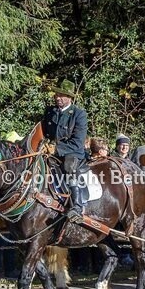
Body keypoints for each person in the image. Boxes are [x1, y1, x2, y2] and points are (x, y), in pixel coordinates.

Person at [41, 80, 89, 223]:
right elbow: (43, 132)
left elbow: (77, 142)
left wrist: (56, 149)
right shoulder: (50, 111)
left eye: (61, 95)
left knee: (68, 166)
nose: (57, 98)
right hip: (49, 151)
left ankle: (77, 206)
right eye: (56, 94)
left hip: (72, 152)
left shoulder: (79, 114)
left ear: (70, 97)